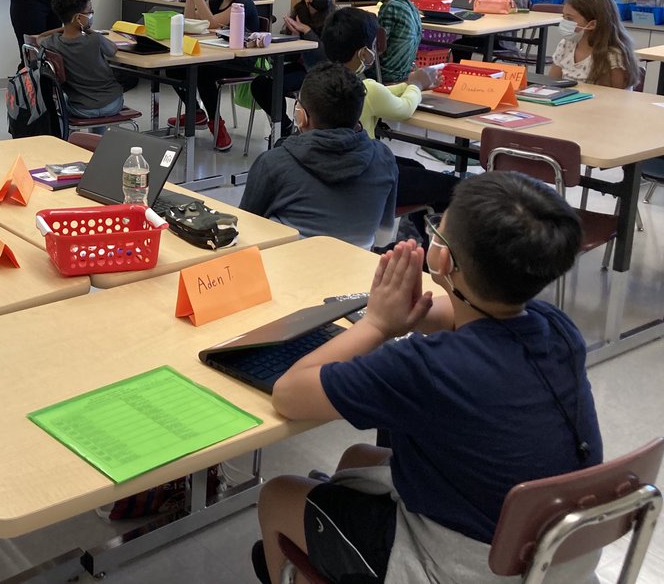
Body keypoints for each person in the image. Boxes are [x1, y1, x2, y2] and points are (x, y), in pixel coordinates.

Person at [253, 172, 602, 584]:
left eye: (437, 228)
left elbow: (289, 394)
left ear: (442, 259)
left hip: (468, 565)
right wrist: (403, 311)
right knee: (358, 459)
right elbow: (454, 315)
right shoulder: (558, 328)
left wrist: (377, 324)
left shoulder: (426, 367)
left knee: (277, 494)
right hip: (558, 551)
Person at [321, 7, 458, 242]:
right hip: (365, 176)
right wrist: (416, 86)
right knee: (451, 187)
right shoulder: (366, 89)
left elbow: (380, 93)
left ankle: (413, 237)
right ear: (364, 52)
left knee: (416, 166)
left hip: (333, 171)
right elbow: (403, 108)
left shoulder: (320, 80)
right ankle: (433, 253)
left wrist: (410, 85)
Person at [239, 61, 397, 249]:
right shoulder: (384, 158)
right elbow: (383, 238)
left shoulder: (274, 163)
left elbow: (246, 233)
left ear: (301, 115)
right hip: (358, 274)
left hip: (285, 272)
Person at [172, 0, 262, 151]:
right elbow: (191, 20)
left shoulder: (244, 4)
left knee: (202, 72)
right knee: (174, 67)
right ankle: (196, 112)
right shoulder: (216, 1)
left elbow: (211, 24)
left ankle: (216, 123)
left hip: (241, 60)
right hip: (217, 54)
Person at [250, 0, 335, 138]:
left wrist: (307, 31)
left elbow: (325, 56)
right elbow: (288, 57)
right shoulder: (299, 13)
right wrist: (294, 36)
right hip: (302, 67)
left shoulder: (333, 17)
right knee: (260, 83)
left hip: (322, 71)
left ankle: (282, 132)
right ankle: (285, 125)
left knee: (275, 85)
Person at [37, 0, 124, 125]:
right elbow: (113, 49)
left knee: (63, 100)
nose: (91, 15)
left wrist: (65, 27)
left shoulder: (51, 43)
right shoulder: (95, 39)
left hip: (79, 109)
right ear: (78, 18)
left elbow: (38, 38)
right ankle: (98, 141)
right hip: (111, 104)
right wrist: (89, 29)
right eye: (90, 12)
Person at [550, 0, 641, 90]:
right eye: (564, 17)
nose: (564, 22)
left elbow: (617, 98)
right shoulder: (565, 45)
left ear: (592, 24)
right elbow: (552, 83)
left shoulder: (613, 55)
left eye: (570, 19)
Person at [452, 0, 529, 59]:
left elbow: (519, 15)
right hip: (486, 33)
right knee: (460, 44)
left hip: (503, 39)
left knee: (464, 45)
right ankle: (461, 71)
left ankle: (464, 71)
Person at [371, 0, 421, 84]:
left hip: (388, 73)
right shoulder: (409, 5)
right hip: (406, 71)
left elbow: (378, 47)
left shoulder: (389, 8)